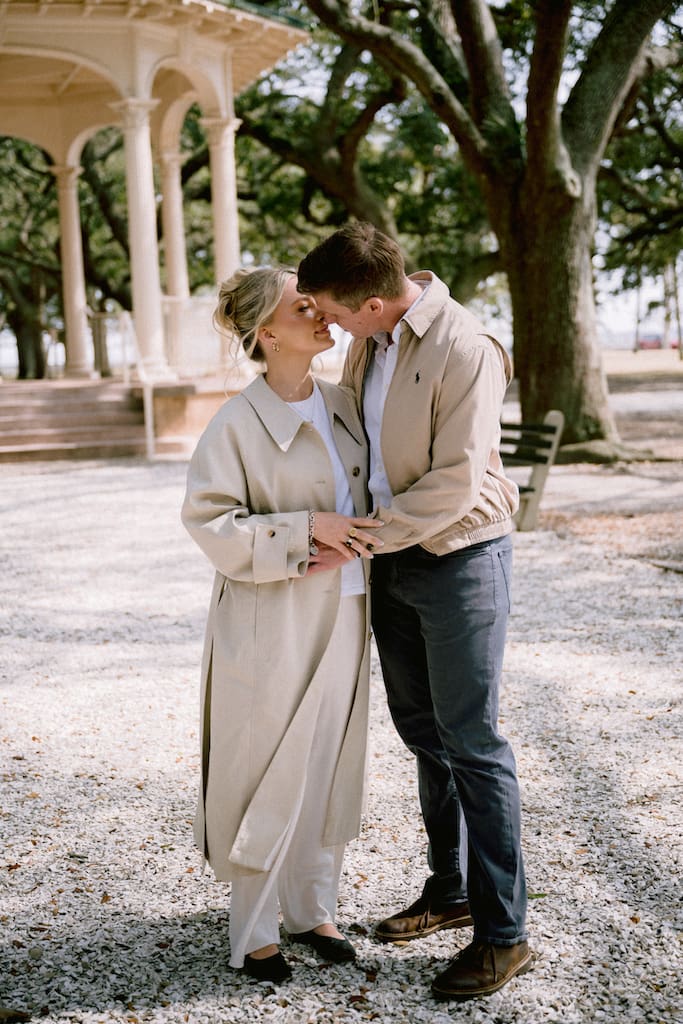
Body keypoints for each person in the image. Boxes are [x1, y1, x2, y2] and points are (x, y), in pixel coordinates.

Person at [297, 222, 531, 1001]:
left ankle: (503, 936)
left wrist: (357, 540)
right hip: (389, 561)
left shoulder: (466, 348)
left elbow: (454, 482)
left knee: (475, 743)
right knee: (423, 734)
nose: (328, 328)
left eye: (334, 315)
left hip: (461, 558)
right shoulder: (372, 339)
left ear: (371, 301)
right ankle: (449, 889)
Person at [181, 267, 383, 984]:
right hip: (271, 619)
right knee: (267, 761)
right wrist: (304, 531)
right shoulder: (235, 423)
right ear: (266, 333)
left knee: (329, 756)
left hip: (349, 608)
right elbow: (209, 523)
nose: (321, 312)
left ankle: (310, 907)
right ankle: (255, 927)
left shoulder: (343, 405)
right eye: (304, 306)